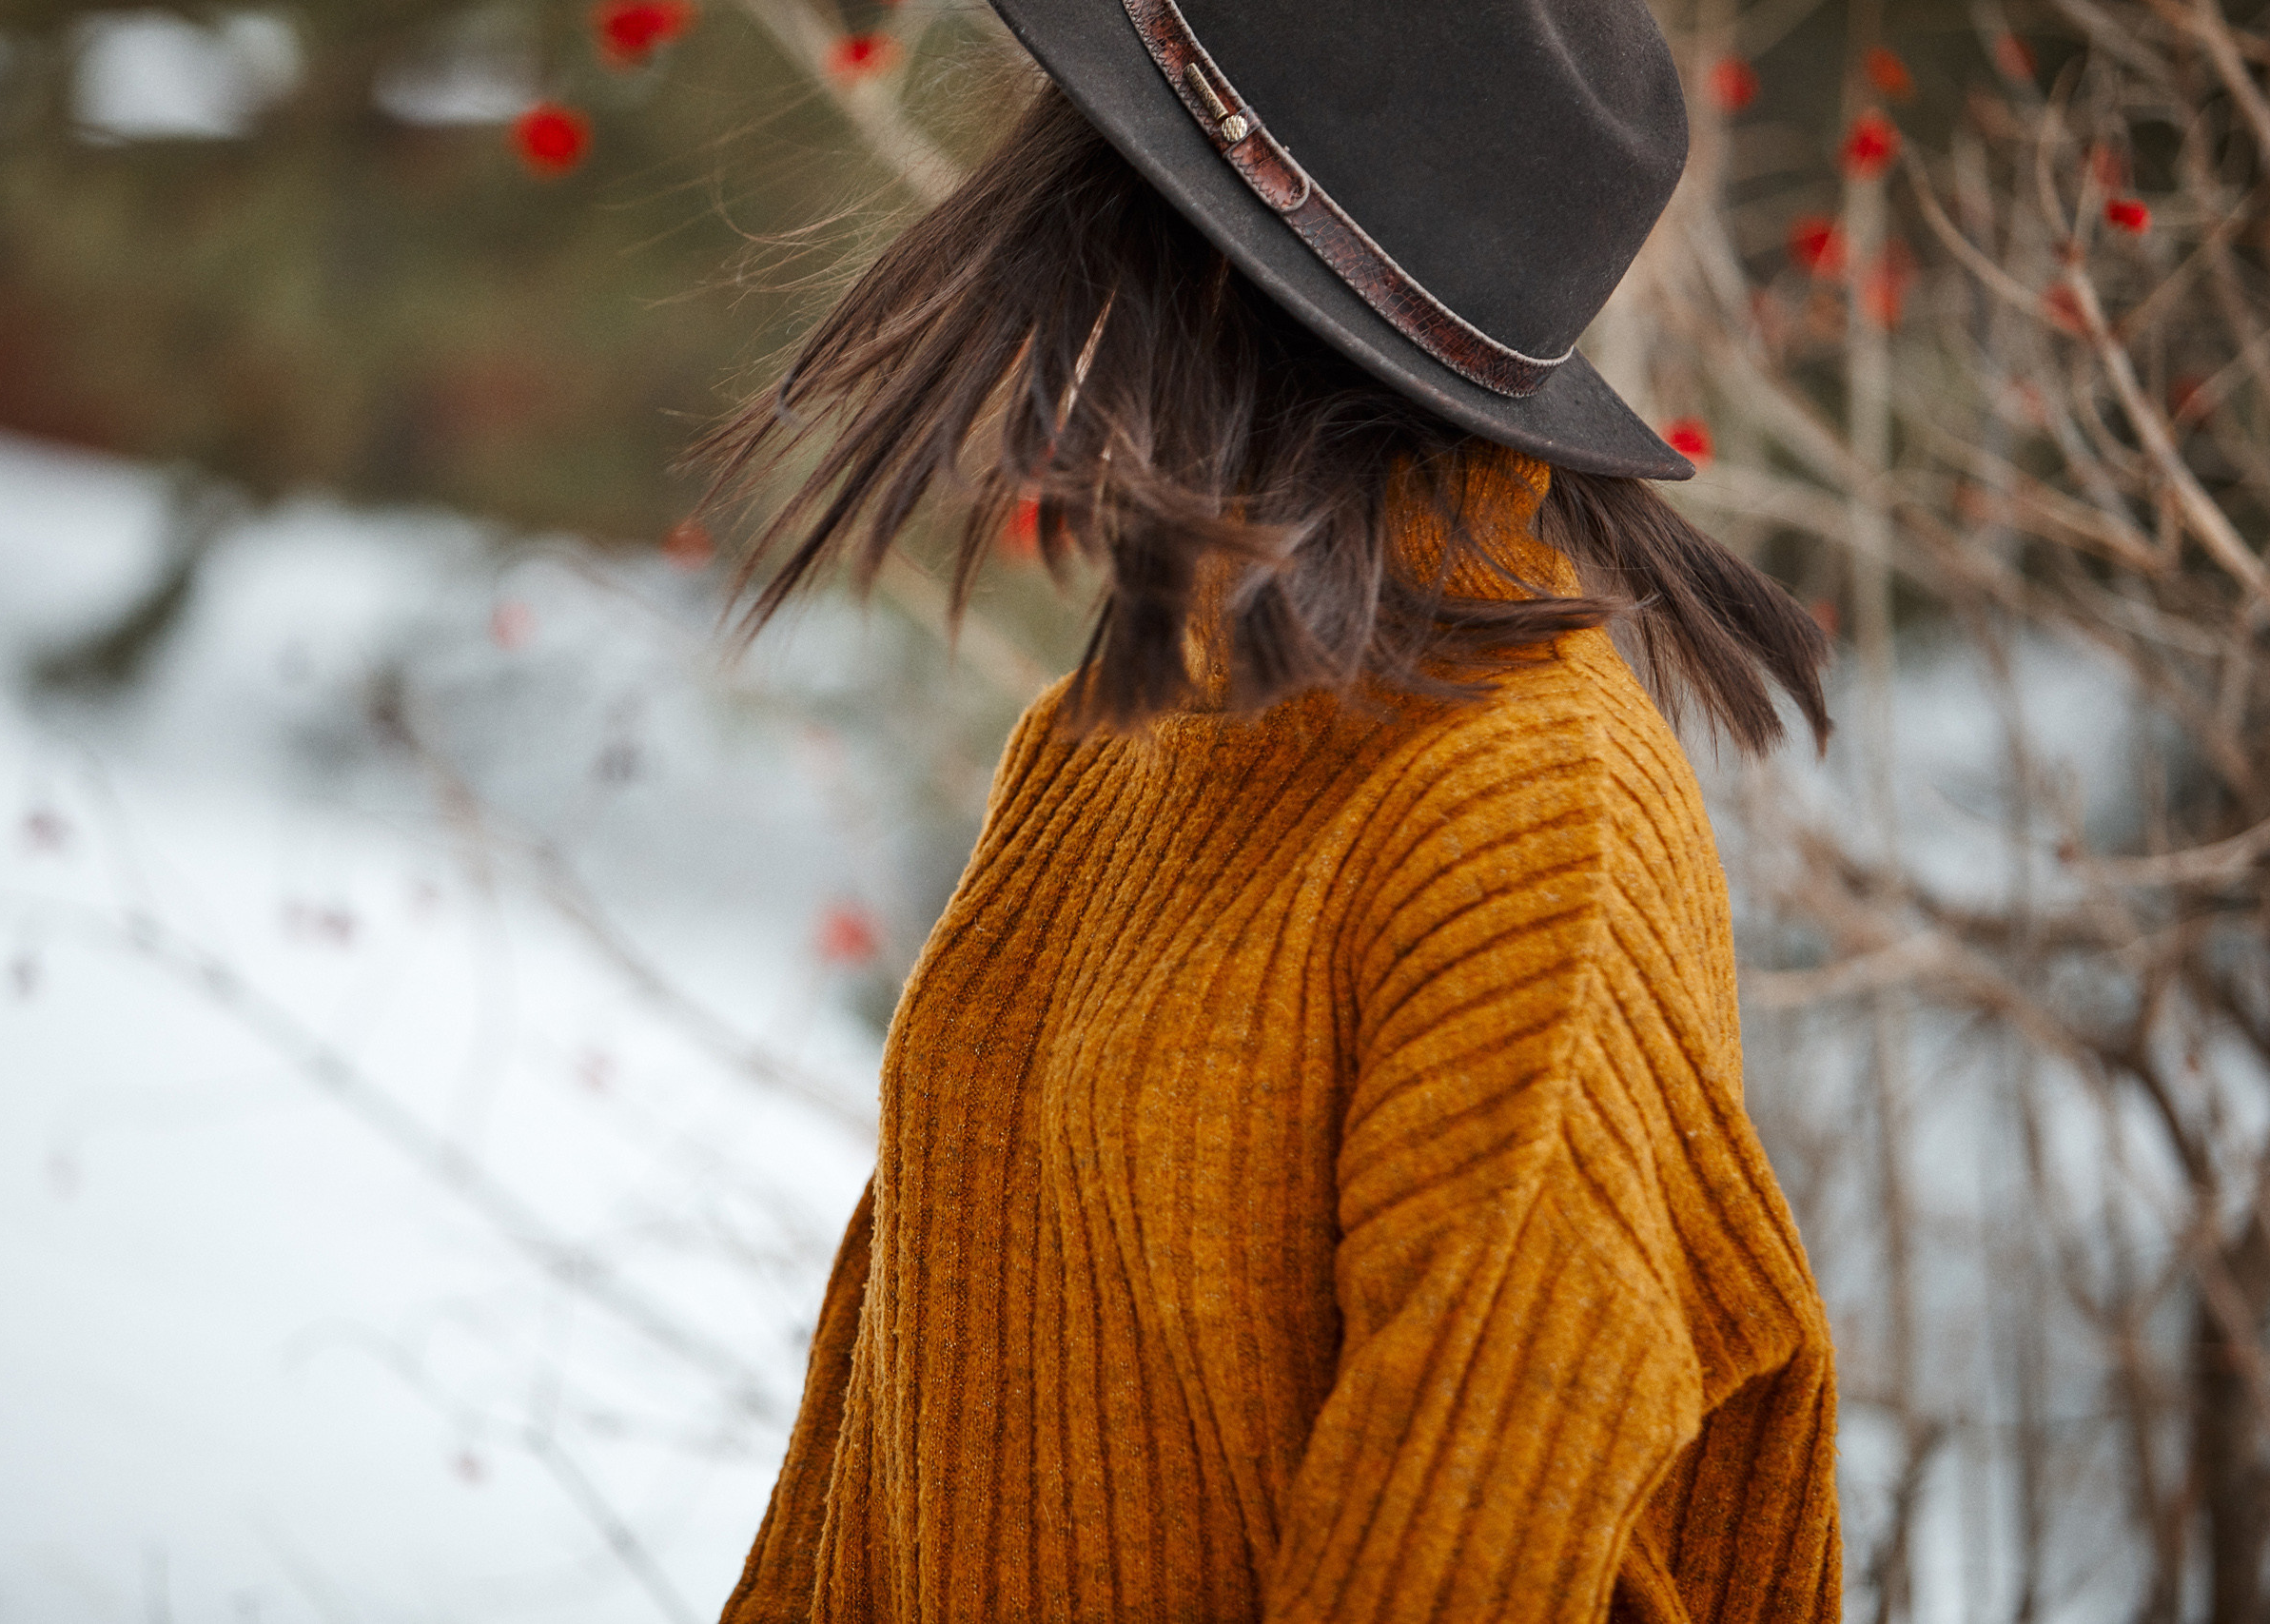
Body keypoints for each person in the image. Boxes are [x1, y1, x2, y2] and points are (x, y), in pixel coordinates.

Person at [704, 0, 1843, 1618]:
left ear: (1200, 255)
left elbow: (1464, 1562)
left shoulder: (1531, 818)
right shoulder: (1119, 734)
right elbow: (895, 1455)